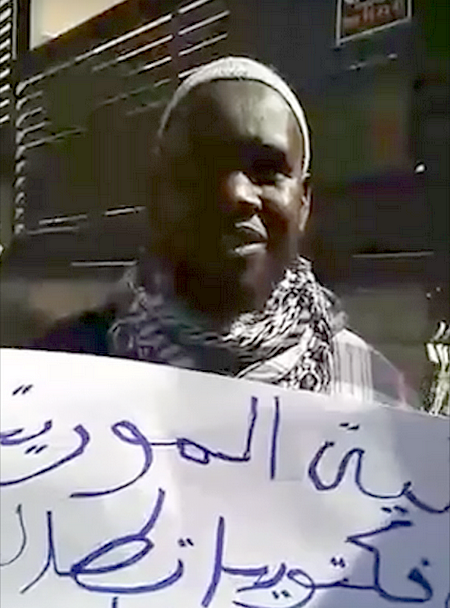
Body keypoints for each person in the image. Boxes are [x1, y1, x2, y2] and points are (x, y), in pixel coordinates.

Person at [29, 56, 415, 406]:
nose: (236, 195)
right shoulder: (54, 376)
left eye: (267, 171)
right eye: (202, 167)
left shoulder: (383, 402)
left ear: (303, 202)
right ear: (157, 194)